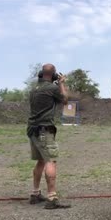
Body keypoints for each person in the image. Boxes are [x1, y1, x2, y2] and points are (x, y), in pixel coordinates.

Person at [27, 63, 71, 209]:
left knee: (40, 160)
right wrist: (62, 84)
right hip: (44, 130)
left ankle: (35, 193)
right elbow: (65, 100)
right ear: (52, 75)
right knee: (50, 161)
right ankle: (52, 197)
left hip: (33, 129)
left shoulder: (34, 89)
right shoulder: (52, 88)